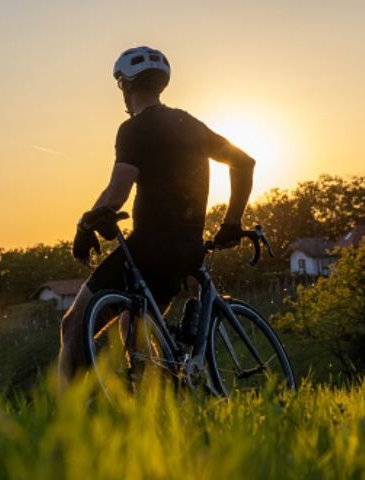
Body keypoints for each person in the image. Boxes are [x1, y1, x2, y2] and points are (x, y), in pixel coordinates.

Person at [58, 46, 256, 383]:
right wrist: (232, 222)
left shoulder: (134, 129)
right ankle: (161, 400)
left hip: (148, 249)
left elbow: (117, 192)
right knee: (134, 327)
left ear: (124, 85)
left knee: (75, 322)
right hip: (188, 252)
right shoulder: (191, 125)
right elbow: (244, 162)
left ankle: (65, 415)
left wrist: (86, 223)